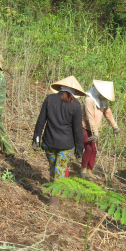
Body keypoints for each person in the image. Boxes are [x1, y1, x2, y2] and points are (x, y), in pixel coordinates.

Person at [32, 76, 85, 207]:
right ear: (74, 90)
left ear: (61, 87)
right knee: (59, 170)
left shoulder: (50, 99)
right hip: (66, 145)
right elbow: (77, 129)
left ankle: (53, 193)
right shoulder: (76, 105)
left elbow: (41, 120)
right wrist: (79, 147)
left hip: (49, 142)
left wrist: (36, 137)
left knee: (53, 168)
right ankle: (54, 200)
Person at [81, 80, 120, 180]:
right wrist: (95, 133)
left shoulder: (102, 102)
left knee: (94, 151)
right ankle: (83, 169)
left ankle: (90, 170)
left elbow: (108, 114)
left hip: (95, 130)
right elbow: (90, 118)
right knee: (89, 149)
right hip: (86, 128)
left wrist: (115, 127)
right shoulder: (89, 100)